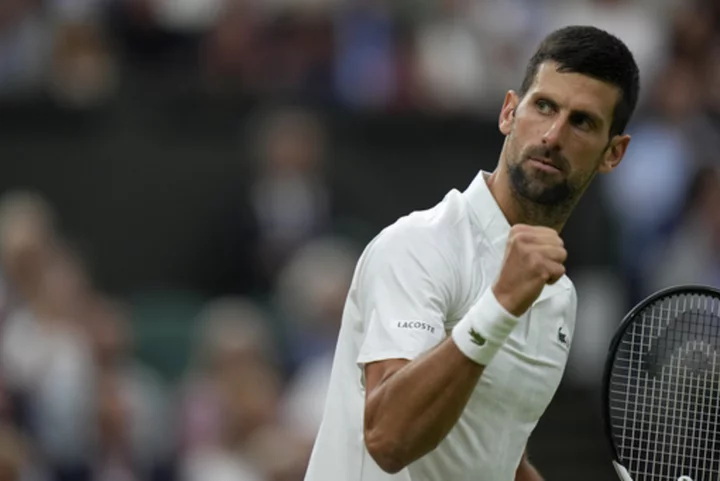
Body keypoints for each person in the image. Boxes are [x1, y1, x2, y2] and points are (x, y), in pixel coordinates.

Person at [303, 25, 640, 481]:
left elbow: (491, 449)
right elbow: (387, 439)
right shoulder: (418, 246)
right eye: (543, 106)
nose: (553, 134)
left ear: (612, 154)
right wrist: (498, 307)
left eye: (582, 121)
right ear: (508, 112)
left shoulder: (559, 297)